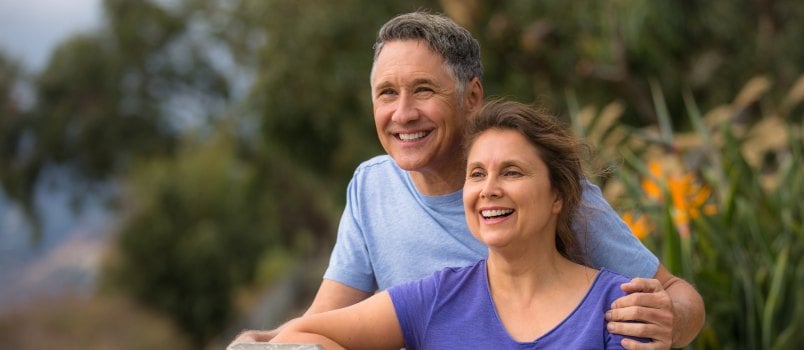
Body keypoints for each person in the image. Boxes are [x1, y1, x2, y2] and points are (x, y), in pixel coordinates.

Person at [230, 11, 703, 349]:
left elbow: (679, 297)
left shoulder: (550, 193)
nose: (402, 113)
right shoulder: (373, 189)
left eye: (423, 91)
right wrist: (261, 344)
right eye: (387, 94)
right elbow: (323, 326)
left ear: (471, 95)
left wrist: (668, 320)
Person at [268, 99, 647, 349]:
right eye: (477, 174)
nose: (489, 190)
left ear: (557, 196)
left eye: (512, 172)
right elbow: (300, 334)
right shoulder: (436, 297)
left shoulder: (618, 309)